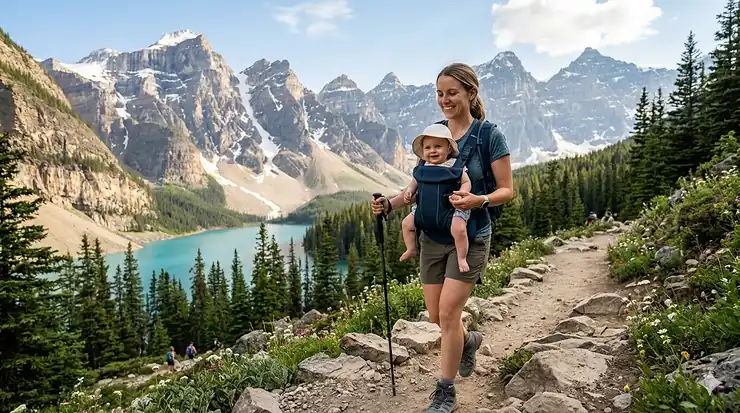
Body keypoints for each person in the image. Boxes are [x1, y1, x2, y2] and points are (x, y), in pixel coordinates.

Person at [371, 62, 513, 413]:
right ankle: (469, 341)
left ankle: (445, 390)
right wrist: (388, 205)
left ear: (470, 93)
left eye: (452, 92)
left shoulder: (488, 135)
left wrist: (478, 199)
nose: (445, 100)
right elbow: (419, 188)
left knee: (449, 314)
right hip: (432, 238)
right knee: (435, 317)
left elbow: (507, 190)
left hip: (471, 234)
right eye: (439, 93)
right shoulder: (434, 135)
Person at [400, 123, 473, 273]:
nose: (432, 151)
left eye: (438, 146)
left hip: (452, 209)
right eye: (427, 148)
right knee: (406, 224)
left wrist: (462, 193)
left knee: (459, 229)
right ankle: (411, 249)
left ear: (449, 149)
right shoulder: (422, 168)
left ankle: (461, 257)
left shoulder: (454, 166)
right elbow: (415, 182)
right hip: (425, 209)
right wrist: (409, 191)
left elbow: (466, 182)